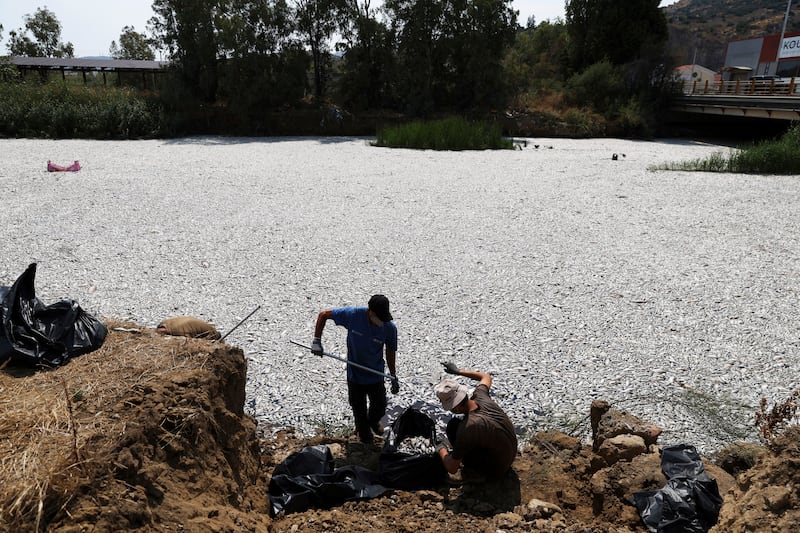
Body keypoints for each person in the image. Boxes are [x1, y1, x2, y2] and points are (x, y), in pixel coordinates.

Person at [311, 294, 399, 443]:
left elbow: (390, 352)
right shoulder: (353, 315)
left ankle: (373, 421)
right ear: (370, 312)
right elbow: (324, 314)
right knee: (359, 413)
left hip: (376, 375)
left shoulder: (389, 328)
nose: (381, 322)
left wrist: (393, 375)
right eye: (379, 317)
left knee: (379, 408)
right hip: (355, 376)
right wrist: (317, 341)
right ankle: (366, 442)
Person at [434, 362, 517, 481]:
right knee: (455, 424)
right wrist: (458, 371)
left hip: (497, 469)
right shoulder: (481, 396)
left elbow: (452, 468)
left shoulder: (468, 427)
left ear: (455, 406)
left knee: (453, 428)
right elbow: (486, 377)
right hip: (509, 454)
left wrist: (441, 448)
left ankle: (477, 475)